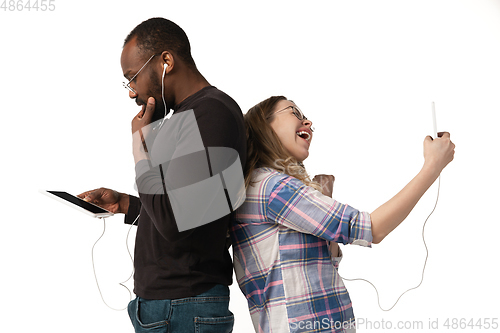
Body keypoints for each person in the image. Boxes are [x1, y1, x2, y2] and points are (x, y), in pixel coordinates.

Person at [230, 96, 455, 332]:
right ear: (264, 126)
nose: (307, 122)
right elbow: (372, 228)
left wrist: (322, 199)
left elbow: (320, 268)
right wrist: (433, 166)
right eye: (294, 112)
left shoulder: (268, 187)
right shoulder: (273, 188)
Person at [78, 18, 246, 333]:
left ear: (166, 61)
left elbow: (174, 221)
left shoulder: (211, 114)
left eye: (132, 78)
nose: (131, 92)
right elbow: (188, 210)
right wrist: (125, 204)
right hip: (170, 306)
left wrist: (141, 147)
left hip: (183, 305)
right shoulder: (187, 116)